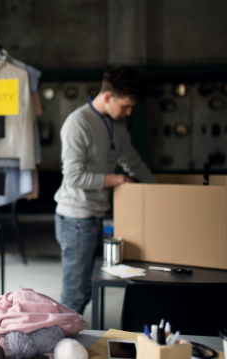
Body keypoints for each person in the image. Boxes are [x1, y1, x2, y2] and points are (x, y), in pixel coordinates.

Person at [53, 66, 156, 315]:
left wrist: (156, 190)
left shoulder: (115, 124)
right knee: (75, 294)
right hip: (76, 218)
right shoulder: (77, 124)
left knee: (89, 289)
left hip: (96, 215)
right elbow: (74, 177)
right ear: (108, 97)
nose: (129, 112)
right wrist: (118, 179)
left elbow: (131, 159)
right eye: (126, 106)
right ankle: (60, 350)